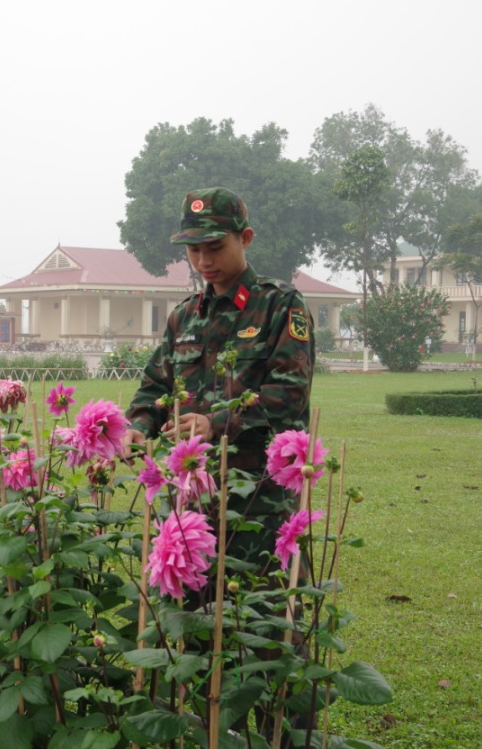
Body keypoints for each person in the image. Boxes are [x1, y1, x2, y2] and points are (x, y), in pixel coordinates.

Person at [122, 187, 316, 740]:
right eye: (194, 250)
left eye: (215, 246)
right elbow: (155, 387)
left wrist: (216, 422)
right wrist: (137, 427)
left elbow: (289, 394)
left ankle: (283, 737)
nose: (204, 260)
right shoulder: (184, 316)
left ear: (244, 239)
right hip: (195, 501)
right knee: (202, 620)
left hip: (261, 499)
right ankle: (215, 732)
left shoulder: (280, 306)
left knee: (274, 624)